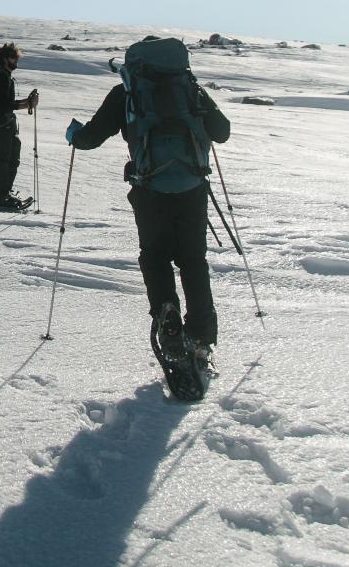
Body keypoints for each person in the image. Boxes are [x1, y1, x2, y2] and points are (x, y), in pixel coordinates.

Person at [65, 36, 230, 363]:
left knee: (154, 256)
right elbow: (222, 131)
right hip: (192, 188)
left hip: (150, 189)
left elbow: (90, 138)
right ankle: (200, 336)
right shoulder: (190, 87)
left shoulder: (128, 90)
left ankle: (166, 316)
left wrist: (74, 134)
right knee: (193, 261)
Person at [0, 42, 38, 208]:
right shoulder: (2, 76)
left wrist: (27, 103)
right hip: (2, 124)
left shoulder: (4, 75)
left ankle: (4, 192)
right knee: (3, 159)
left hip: (7, 123)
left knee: (11, 157)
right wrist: (26, 104)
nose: (16, 61)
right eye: (13, 58)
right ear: (5, 59)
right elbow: (3, 104)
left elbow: (6, 103)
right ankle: (0, 196)